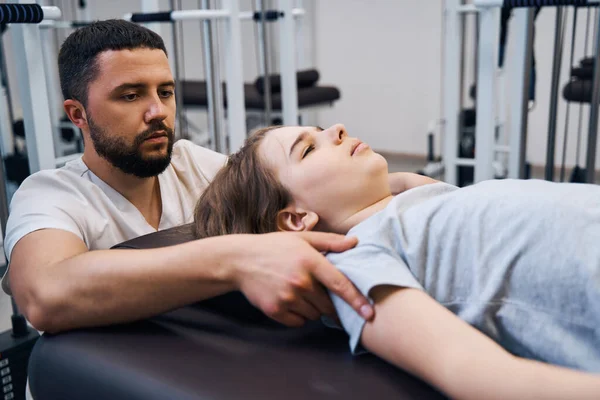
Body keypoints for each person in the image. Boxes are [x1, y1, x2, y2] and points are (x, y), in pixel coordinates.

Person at [3, 20, 426, 334]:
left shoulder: (192, 163)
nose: (158, 113)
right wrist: (237, 260)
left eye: (165, 92)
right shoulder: (51, 195)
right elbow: (45, 294)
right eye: (130, 96)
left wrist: (409, 189)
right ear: (77, 114)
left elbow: (308, 194)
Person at [193, 124, 600, 400]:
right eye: (310, 148)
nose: (336, 128)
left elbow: (409, 183)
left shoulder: (408, 207)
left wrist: (377, 185)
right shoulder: (354, 261)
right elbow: (476, 374)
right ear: (297, 219)